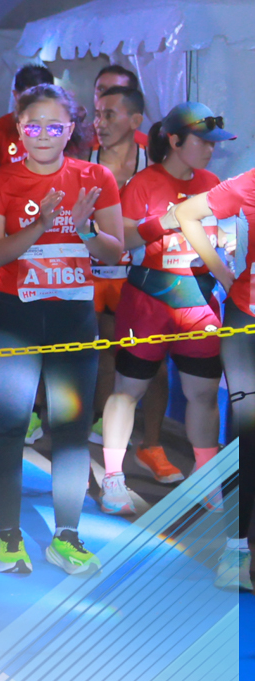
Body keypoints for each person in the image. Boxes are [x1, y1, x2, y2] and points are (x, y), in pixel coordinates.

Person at [0, 83, 124, 576]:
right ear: (18, 129)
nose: (43, 134)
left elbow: (114, 252)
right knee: (9, 425)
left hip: (73, 319)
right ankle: (9, 536)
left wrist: (83, 230)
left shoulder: (95, 176)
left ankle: (67, 535)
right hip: (15, 321)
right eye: (33, 125)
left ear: (70, 129)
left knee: (72, 429)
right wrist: (41, 225)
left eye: (54, 125)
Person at [100, 104, 235, 495]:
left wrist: (226, 243)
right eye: (202, 142)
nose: (210, 150)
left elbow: (223, 233)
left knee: (203, 393)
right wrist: (165, 222)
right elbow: (121, 240)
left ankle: (206, 479)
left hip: (199, 301)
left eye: (213, 143)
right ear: (174, 141)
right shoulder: (142, 183)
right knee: (128, 390)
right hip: (147, 300)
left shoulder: (212, 182)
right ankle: (113, 476)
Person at [171, 162, 254, 588]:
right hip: (246, 324)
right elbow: (185, 213)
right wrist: (223, 272)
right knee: (247, 436)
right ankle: (234, 553)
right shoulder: (251, 183)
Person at [89, 84, 153, 446]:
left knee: (124, 355)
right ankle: (52, 418)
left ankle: (108, 425)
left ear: (135, 120)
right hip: (86, 275)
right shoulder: (83, 161)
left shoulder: (152, 163)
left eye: (109, 114)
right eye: (97, 114)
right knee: (73, 352)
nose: (99, 122)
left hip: (133, 277)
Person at [0, 63, 57, 177]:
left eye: (41, 101)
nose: (35, 107)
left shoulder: (60, 127)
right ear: (16, 95)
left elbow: (73, 169)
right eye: (29, 100)